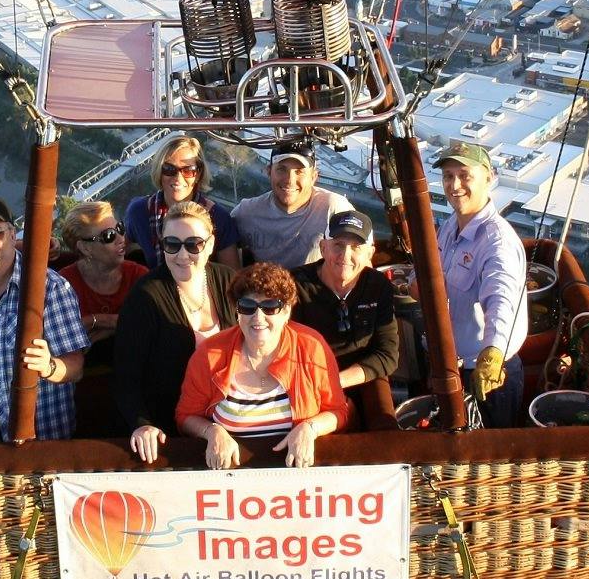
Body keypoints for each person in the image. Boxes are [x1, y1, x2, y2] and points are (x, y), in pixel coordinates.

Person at [151, 262, 348, 469]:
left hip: (296, 479)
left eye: (270, 307)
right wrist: (212, 432)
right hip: (230, 479)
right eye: (248, 307)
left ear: (287, 311)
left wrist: (310, 428)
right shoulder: (209, 354)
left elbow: (337, 411)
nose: (258, 317)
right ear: (237, 311)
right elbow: (185, 416)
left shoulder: (311, 346)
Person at [0, 195, 90, 442]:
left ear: (13, 235)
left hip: (42, 445)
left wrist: (48, 366)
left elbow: (75, 367)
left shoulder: (49, 288)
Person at [113, 200, 238, 455]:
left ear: (211, 244)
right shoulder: (146, 295)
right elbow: (126, 374)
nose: (182, 255)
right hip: (170, 433)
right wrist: (142, 424)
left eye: (194, 244)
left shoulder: (229, 282)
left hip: (231, 424)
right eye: (172, 244)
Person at [434, 142, 527, 429]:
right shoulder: (452, 224)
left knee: (489, 457)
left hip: (490, 376)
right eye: (448, 176)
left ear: (489, 178)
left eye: (464, 175)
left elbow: (501, 298)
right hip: (453, 365)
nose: (455, 185)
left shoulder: (497, 242)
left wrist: (493, 351)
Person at [291, 209, 402, 432]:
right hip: (309, 378)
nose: (345, 255)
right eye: (338, 245)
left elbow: (387, 356)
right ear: (323, 248)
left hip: (363, 376)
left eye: (356, 247)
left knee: (385, 430)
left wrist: (337, 382)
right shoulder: (294, 285)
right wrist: (321, 386)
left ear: (370, 253)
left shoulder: (378, 286)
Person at [230, 137, 354, 269]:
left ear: (314, 177)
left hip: (314, 288)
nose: (290, 180)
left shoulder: (334, 208)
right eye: (282, 169)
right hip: (269, 287)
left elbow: (361, 254)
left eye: (299, 171)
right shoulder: (248, 212)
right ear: (269, 172)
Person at [123, 135, 239, 269]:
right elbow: (119, 254)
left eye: (188, 170)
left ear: (199, 174)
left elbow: (233, 277)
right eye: (169, 169)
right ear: (160, 172)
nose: (178, 178)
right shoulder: (140, 212)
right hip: (157, 287)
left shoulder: (218, 218)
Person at [54, 200, 148, 360]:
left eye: (120, 229)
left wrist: (97, 321)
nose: (121, 239)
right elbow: (60, 338)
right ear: (85, 248)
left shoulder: (138, 276)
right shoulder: (63, 286)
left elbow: (154, 323)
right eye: (109, 236)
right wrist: (123, 324)